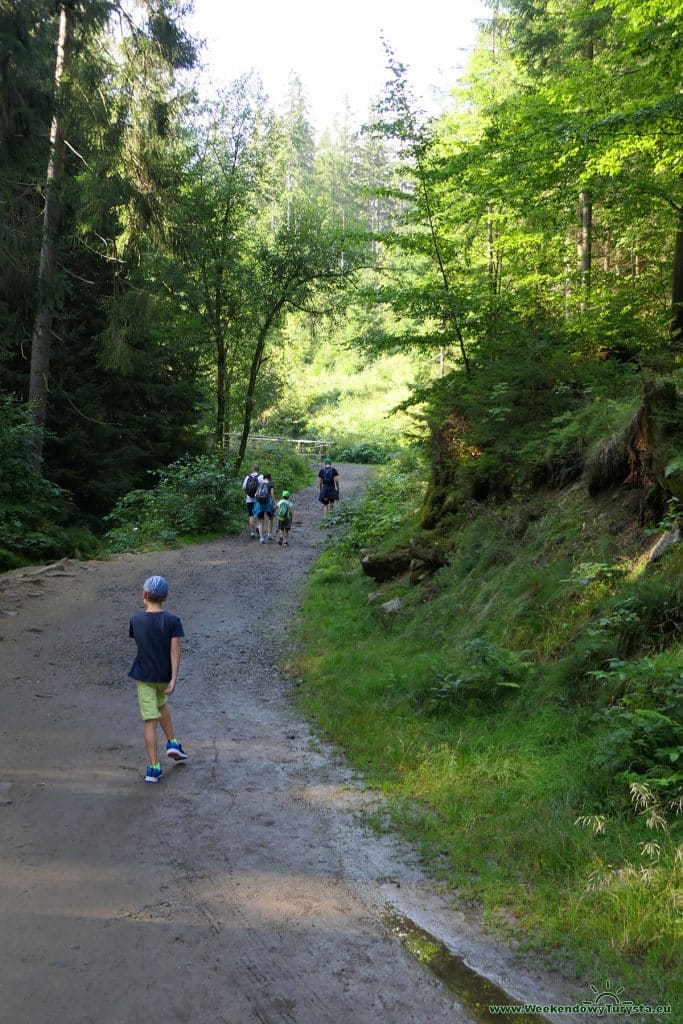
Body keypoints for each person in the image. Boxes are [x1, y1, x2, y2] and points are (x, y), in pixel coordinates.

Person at [128, 575, 188, 783]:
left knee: (150, 720)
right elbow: (175, 650)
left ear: (144, 594)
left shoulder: (136, 619)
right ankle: (172, 743)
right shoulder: (173, 621)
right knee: (162, 705)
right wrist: (173, 678)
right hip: (164, 675)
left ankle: (154, 768)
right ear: (166, 597)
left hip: (144, 676)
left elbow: (139, 642)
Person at [254, 471, 275, 543]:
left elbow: (255, 495)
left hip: (260, 504)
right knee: (271, 518)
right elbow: (272, 495)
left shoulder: (260, 484)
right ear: (270, 478)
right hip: (268, 504)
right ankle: (269, 534)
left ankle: (261, 538)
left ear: (263, 478)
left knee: (260, 521)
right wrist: (273, 504)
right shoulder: (270, 484)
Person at [242, 464, 261, 538]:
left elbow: (243, 488)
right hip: (258, 499)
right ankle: (258, 527)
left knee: (251, 515)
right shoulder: (261, 477)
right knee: (259, 515)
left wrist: (248, 492)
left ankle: (252, 533)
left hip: (249, 499)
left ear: (252, 469)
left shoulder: (248, 477)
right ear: (258, 469)